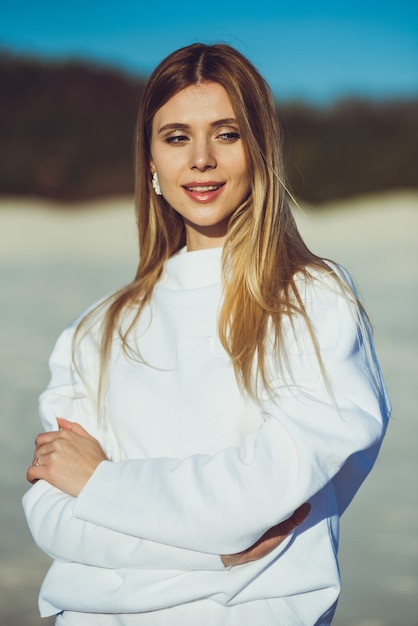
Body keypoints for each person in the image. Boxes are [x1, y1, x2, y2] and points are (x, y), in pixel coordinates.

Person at [23, 43, 390, 626]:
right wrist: (212, 552)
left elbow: (267, 496)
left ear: (260, 149)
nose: (200, 160)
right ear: (150, 158)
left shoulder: (310, 299)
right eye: (175, 137)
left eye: (226, 134)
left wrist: (101, 483)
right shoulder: (95, 329)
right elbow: (52, 517)